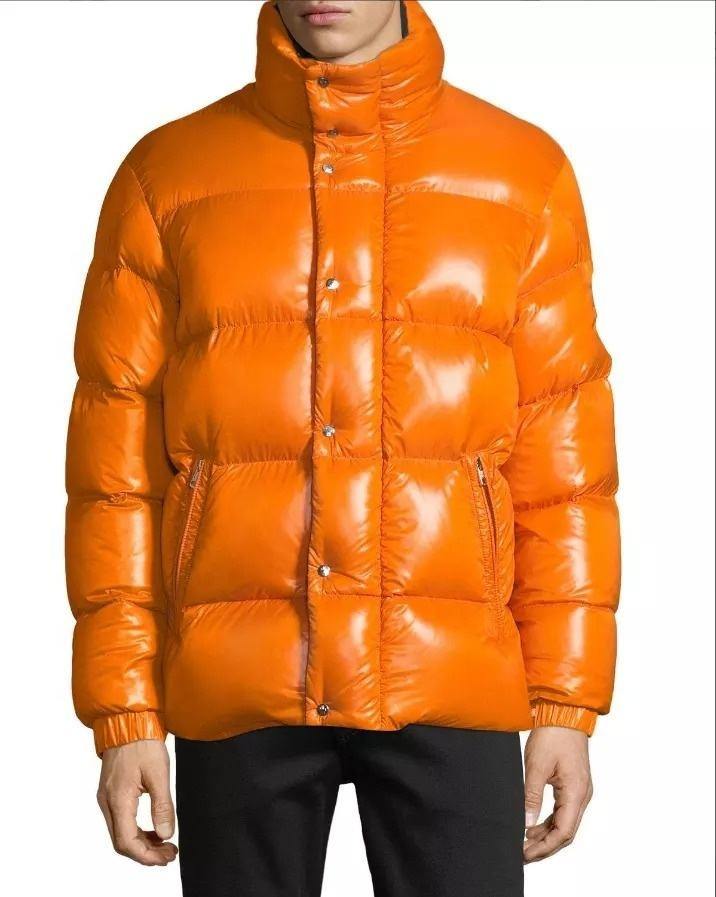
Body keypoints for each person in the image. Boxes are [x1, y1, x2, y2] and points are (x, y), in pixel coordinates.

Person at [65, 1, 620, 894]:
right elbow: (114, 475)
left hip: (449, 672)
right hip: (239, 680)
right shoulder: (166, 178)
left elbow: (564, 467)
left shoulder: (522, 174)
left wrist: (566, 698)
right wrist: (124, 712)